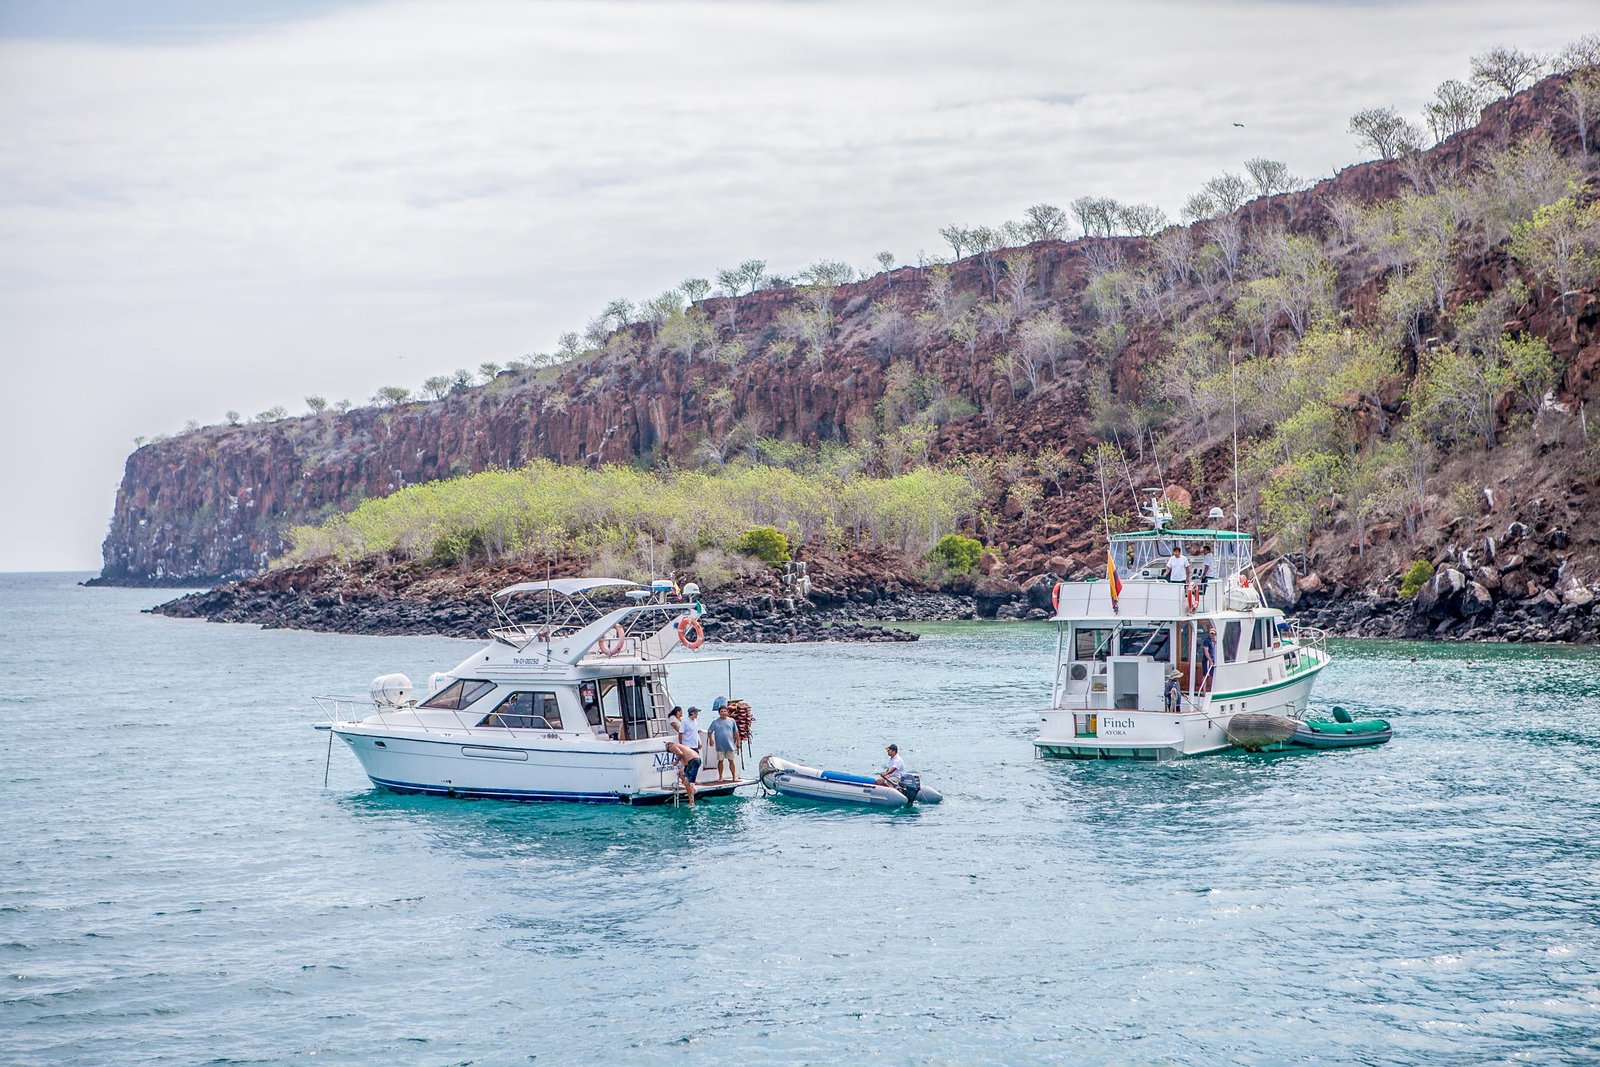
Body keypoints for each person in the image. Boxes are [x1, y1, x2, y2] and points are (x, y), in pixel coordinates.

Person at [707, 707, 739, 782]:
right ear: (719, 713)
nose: (723, 712)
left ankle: (734, 777)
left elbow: (736, 732)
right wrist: (711, 740)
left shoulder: (732, 721)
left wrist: (738, 742)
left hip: (730, 745)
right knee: (720, 761)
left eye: (725, 711)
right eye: (722, 711)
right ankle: (720, 776)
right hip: (720, 746)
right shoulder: (715, 722)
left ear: (727, 712)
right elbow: (709, 731)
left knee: (731, 760)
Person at [665, 740, 701, 805]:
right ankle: (691, 789)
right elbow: (684, 762)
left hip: (693, 761)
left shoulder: (673, 746)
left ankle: (691, 803)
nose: (671, 752)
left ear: (668, 746)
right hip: (693, 761)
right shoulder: (680, 747)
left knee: (687, 783)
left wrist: (676, 762)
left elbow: (679, 753)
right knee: (680, 773)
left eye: (669, 751)